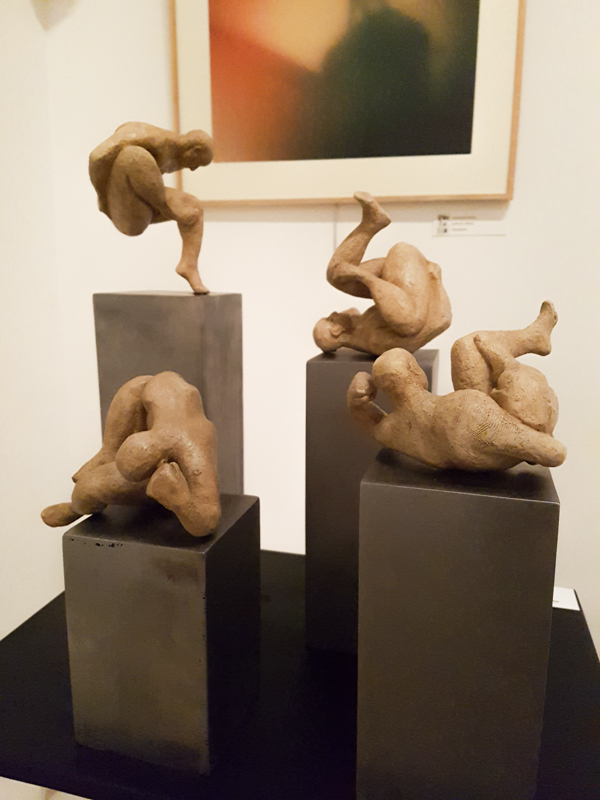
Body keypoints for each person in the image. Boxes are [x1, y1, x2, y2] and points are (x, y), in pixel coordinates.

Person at [347, 303, 566, 471]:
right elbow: (554, 453)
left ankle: (534, 338)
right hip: (481, 432)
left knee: (465, 349)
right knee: (487, 359)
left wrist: (356, 400)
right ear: (417, 373)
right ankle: (525, 346)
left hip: (470, 434)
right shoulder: (467, 410)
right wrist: (505, 363)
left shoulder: (393, 428)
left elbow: (372, 425)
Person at [313, 192, 451, 355]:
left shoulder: (360, 331)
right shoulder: (373, 341)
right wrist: (364, 276)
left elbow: (356, 310)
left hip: (406, 296)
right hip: (417, 310)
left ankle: (372, 223)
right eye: (330, 319)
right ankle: (374, 225)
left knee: (336, 275)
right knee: (406, 318)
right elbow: (411, 323)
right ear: (336, 331)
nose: (334, 313)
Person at [89, 122, 213, 294]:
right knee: (134, 156)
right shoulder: (151, 138)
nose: (193, 168)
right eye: (197, 163)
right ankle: (161, 204)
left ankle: (188, 265)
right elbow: (97, 156)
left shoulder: (173, 154)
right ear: (195, 151)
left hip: (141, 205)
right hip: (123, 208)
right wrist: (103, 200)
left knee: (193, 208)